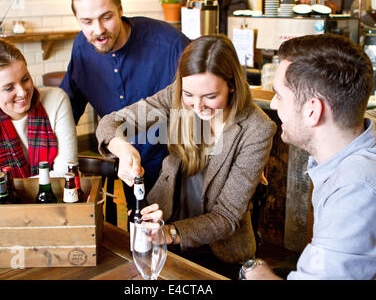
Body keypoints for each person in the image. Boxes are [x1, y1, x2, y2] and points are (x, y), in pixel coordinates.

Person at [95, 34, 277, 279]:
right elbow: (111, 122)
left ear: (232, 84)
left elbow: (226, 217)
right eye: (189, 94)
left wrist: (168, 233)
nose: (197, 106)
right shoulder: (177, 96)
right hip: (166, 235)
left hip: (219, 254)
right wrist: (123, 148)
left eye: (210, 97)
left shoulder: (257, 128)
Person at [241, 34, 376, 280]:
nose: (275, 106)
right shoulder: (367, 128)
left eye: (279, 95)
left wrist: (252, 269)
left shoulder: (357, 191)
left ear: (313, 110)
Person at [59, 0, 191, 211]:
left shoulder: (168, 44)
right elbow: (67, 107)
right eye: (87, 22)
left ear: (120, 9)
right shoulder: (82, 48)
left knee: (181, 241)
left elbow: (213, 89)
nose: (98, 30)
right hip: (129, 167)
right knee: (138, 234)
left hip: (178, 167)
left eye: (106, 17)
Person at [0, 38, 78, 209]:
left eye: (25, 79)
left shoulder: (56, 100)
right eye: (8, 88)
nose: (22, 92)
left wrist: (6, 188)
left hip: (57, 207)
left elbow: (67, 176)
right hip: (9, 214)